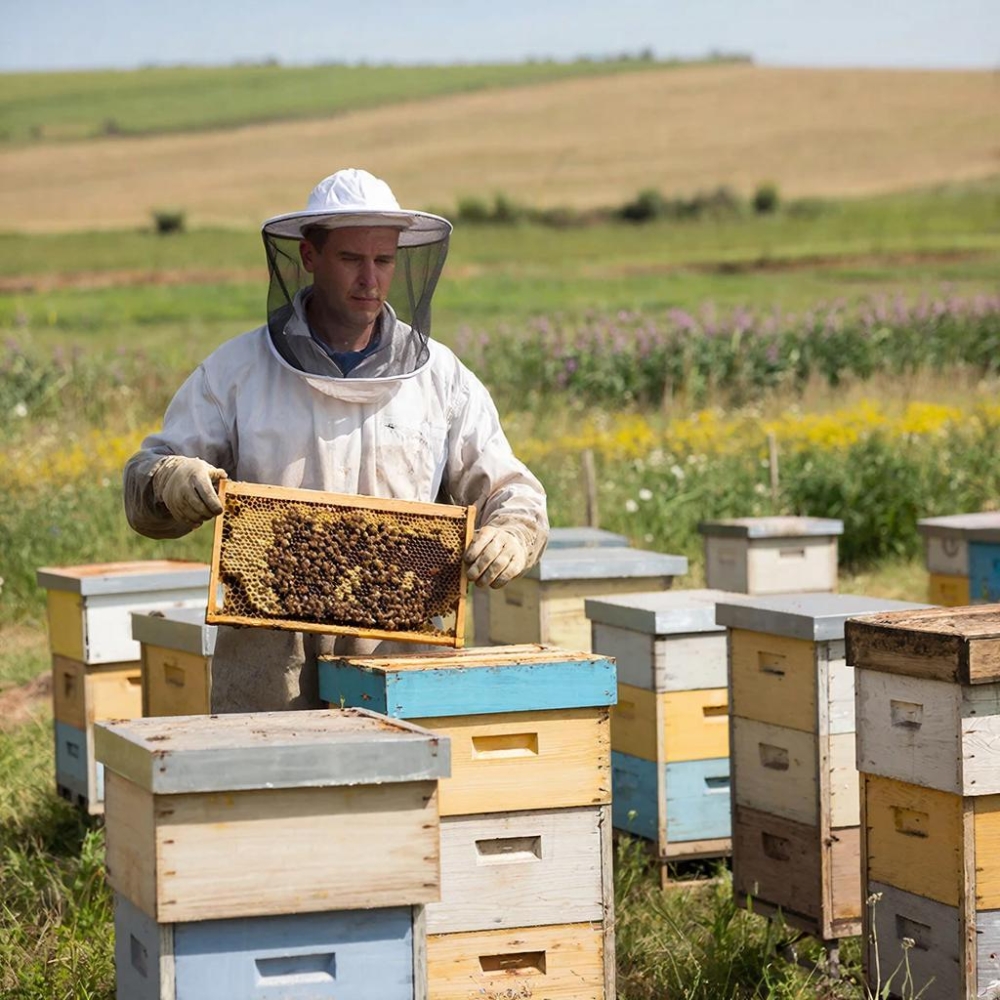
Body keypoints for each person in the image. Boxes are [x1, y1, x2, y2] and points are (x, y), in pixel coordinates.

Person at [123, 168, 549, 712]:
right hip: (268, 664)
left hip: (398, 658)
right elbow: (146, 478)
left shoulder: (443, 379)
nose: (370, 279)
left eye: (384, 260)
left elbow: (511, 489)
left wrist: (512, 530)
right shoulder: (236, 371)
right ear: (308, 257)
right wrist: (169, 481)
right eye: (351, 259)